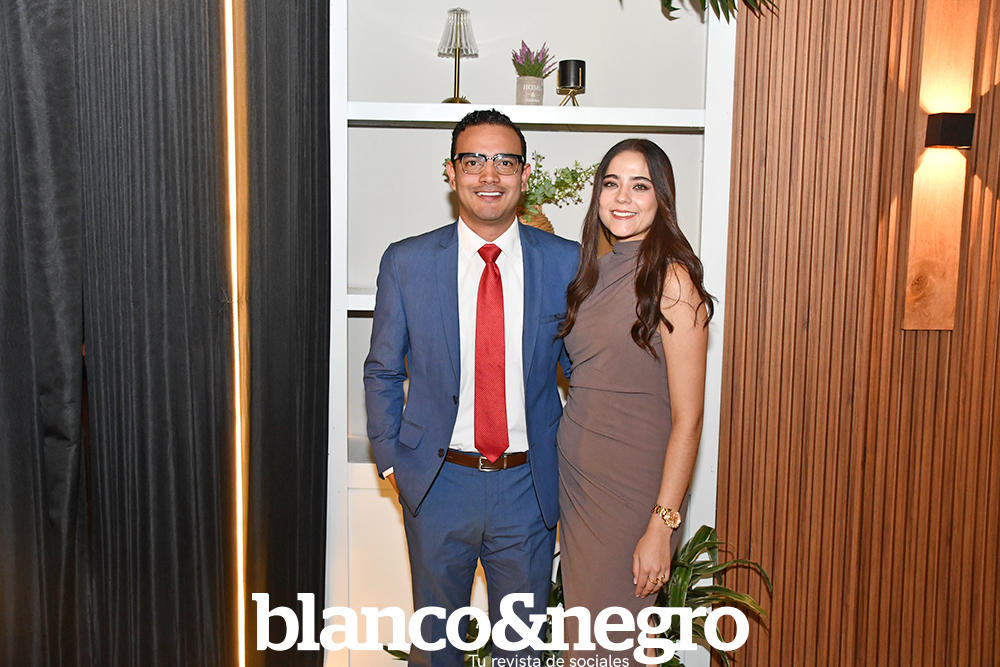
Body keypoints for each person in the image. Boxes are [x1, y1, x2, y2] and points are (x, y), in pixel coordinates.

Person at [363, 108, 580, 667]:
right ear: (451, 172)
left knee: (521, 652)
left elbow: (585, 374)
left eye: (504, 161)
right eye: (473, 160)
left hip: (527, 488)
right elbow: (382, 370)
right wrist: (391, 462)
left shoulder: (566, 263)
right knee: (436, 647)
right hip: (438, 484)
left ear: (525, 175)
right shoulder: (407, 262)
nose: (489, 175)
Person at [556, 139, 714, 657]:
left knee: (610, 647)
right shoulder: (591, 275)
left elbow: (689, 420)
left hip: (632, 496)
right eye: (611, 183)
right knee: (586, 645)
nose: (622, 197)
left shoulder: (673, 280)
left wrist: (661, 527)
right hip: (580, 488)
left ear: (661, 198)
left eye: (639, 185)